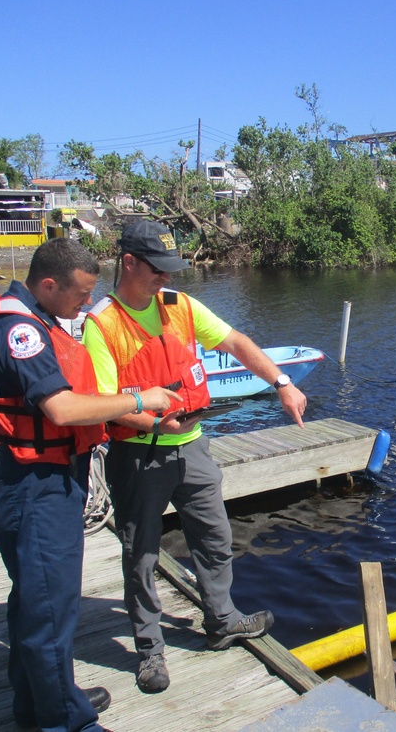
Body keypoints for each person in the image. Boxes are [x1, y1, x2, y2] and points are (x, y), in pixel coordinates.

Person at [0, 237, 181, 732]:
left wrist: (140, 414)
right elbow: (61, 409)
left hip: (45, 481)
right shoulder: (22, 332)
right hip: (36, 488)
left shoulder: (36, 318)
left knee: (36, 603)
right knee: (50, 612)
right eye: (81, 295)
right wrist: (136, 399)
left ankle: (41, 705)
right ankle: (67, 722)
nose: (87, 304)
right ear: (47, 285)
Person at [82, 219, 307, 694]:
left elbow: (237, 342)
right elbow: (104, 400)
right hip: (138, 456)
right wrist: (155, 422)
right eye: (158, 269)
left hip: (194, 445)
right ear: (128, 262)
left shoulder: (180, 305)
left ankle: (222, 619)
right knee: (141, 553)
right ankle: (149, 650)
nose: (168, 278)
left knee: (214, 536)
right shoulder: (102, 323)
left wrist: (281, 383)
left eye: (171, 268)